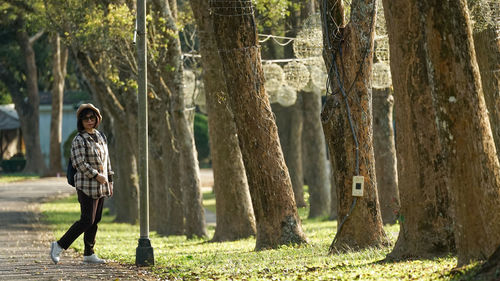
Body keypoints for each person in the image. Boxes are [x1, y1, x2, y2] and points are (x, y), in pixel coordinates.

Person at [50, 103, 114, 264]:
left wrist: (109, 180)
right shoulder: (79, 139)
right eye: (86, 119)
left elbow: (107, 162)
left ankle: (89, 253)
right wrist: (97, 176)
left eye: (92, 118)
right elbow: (79, 163)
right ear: (81, 121)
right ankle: (58, 245)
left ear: (97, 118)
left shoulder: (100, 136)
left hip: (101, 185)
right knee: (86, 219)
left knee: (95, 219)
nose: (89, 121)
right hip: (86, 185)